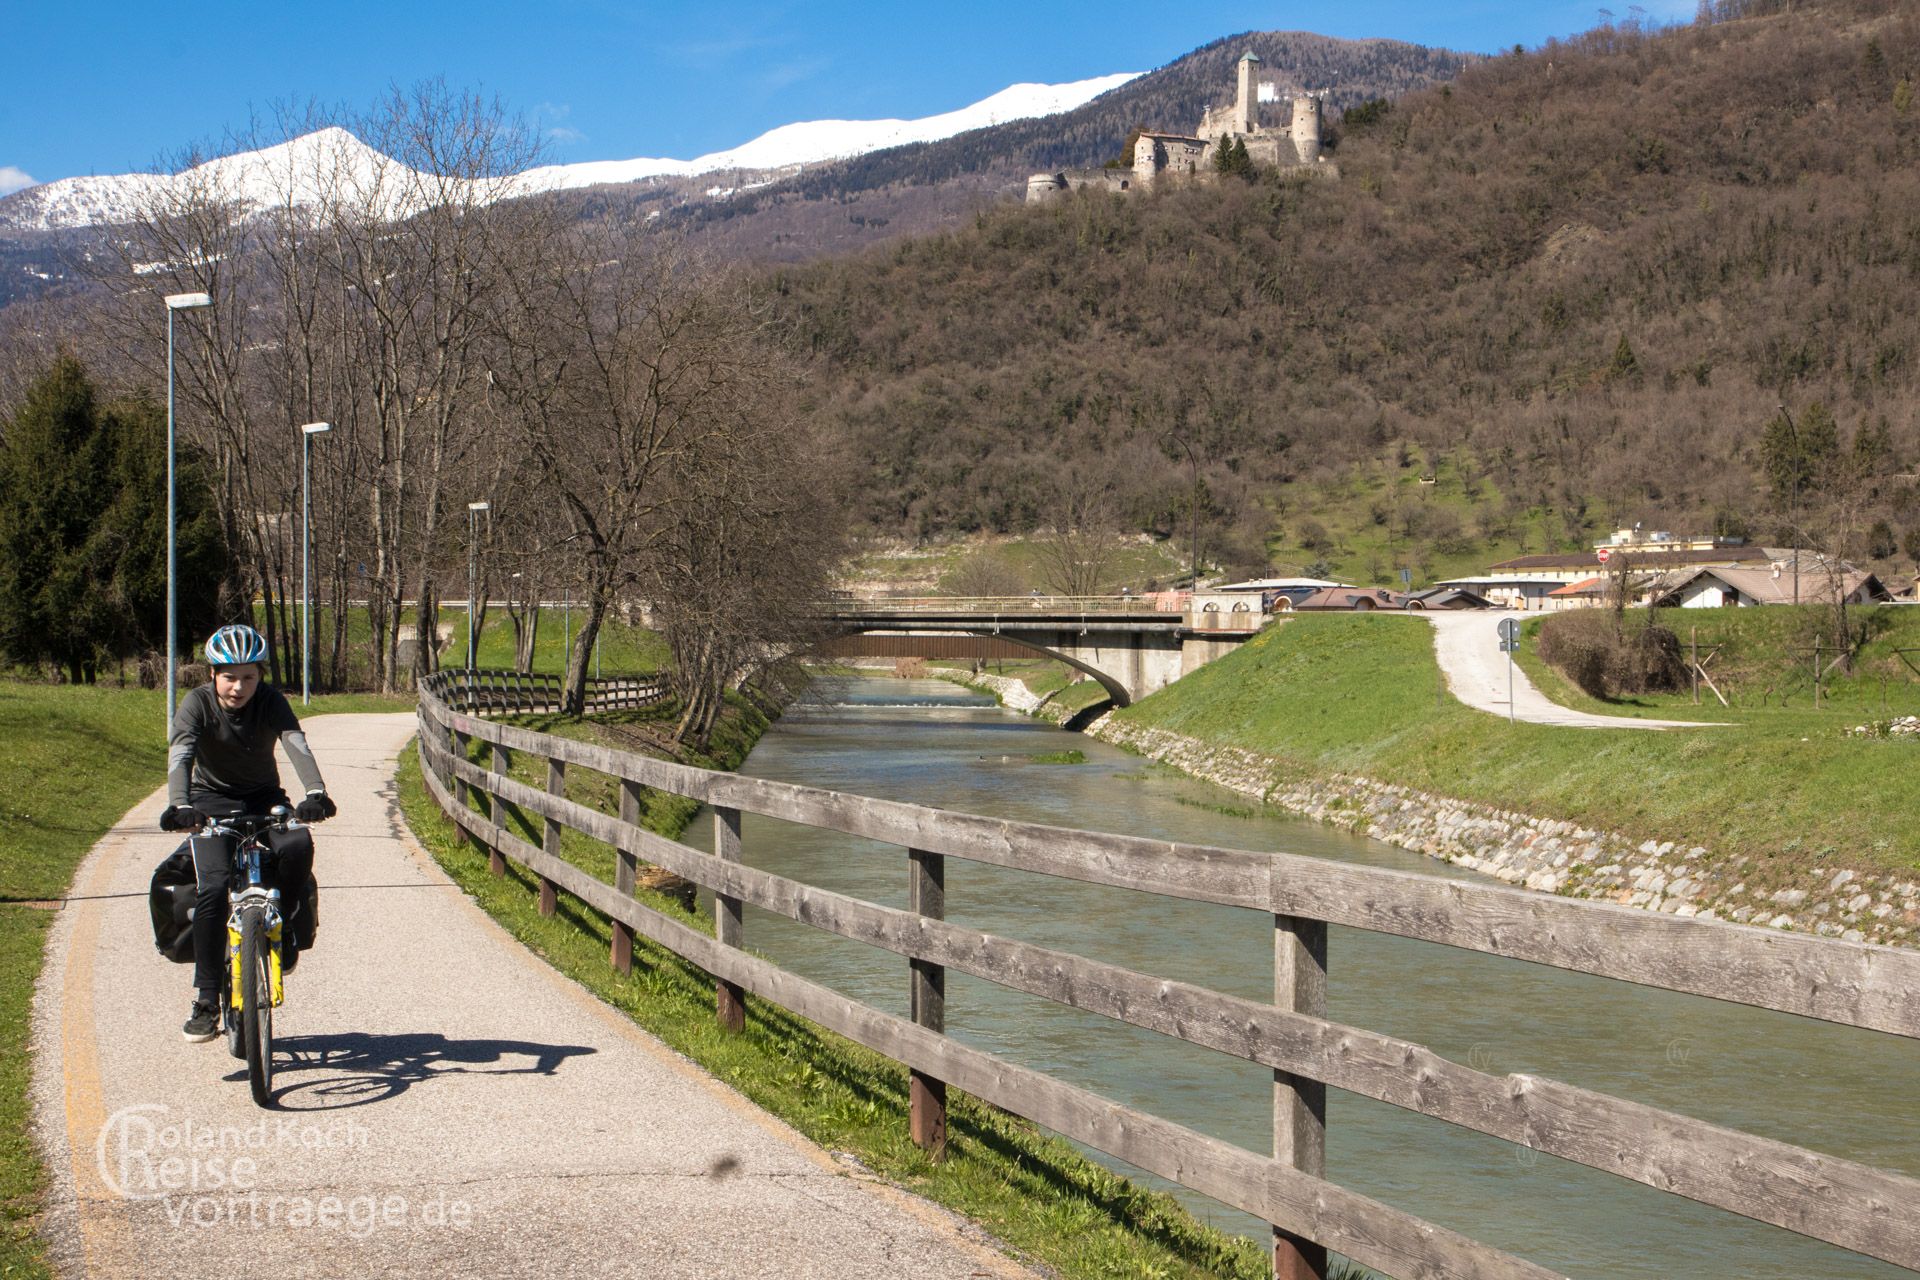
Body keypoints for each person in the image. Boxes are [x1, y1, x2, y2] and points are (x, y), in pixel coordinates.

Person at [160, 624, 335, 1042]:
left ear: (260, 676)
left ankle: (287, 923)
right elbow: (182, 751)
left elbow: (296, 743)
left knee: (297, 843)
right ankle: (205, 1000)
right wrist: (180, 804)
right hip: (209, 802)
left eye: (249, 677)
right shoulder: (197, 703)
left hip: (263, 797)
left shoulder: (272, 702)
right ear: (212, 674)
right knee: (213, 887)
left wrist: (316, 792)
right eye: (229, 676)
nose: (239, 687)